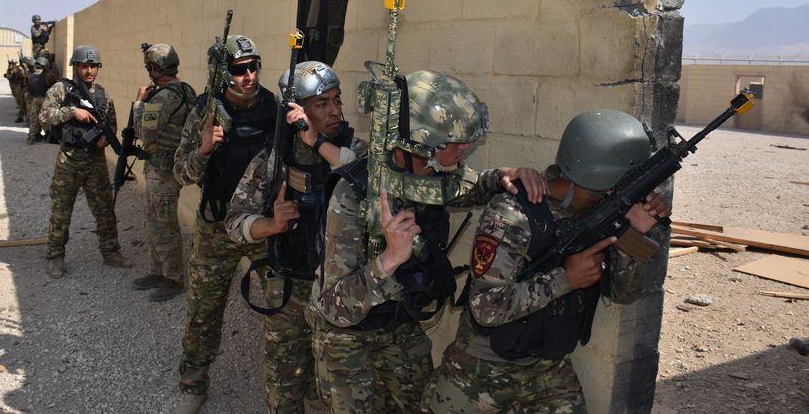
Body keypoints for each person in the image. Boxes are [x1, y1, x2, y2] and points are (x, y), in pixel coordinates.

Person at [312, 70, 546, 413]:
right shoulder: (354, 194)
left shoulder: (435, 173)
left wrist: (504, 176)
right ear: (421, 142)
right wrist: (388, 260)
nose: (465, 149)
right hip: (346, 334)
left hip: (400, 321)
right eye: (456, 142)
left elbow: (471, 187)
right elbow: (334, 306)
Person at [423, 109, 671, 413]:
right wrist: (566, 279)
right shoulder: (513, 213)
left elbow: (624, 294)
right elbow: (484, 307)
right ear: (609, 183)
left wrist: (636, 233)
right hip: (481, 368)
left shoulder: (608, 213)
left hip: (548, 367)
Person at [225, 60, 366, 414]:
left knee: (341, 386)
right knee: (285, 378)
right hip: (289, 288)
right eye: (323, 103)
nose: (334, 111)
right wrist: (271, 225)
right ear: (295, 111)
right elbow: (234, 221)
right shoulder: (275, 158)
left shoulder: (353, 148)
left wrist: (316, 142)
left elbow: (362, 174)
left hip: (340, 294)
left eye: (337, 100)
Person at [172, 35, 278, 414]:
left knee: (285, 304)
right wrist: (204, 147)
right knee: (204, 309)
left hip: (261, 226)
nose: (249, 76)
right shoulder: (205, 110)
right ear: (223, 74)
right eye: (238, 69)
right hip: (216, 229)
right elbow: (180, 174)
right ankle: (193, 383)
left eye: (253, 66)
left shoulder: (272, 107)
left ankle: (289, 384)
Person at [39, 45, 133, 279]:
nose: (89, 71)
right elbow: (44, 117)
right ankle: (55, 256)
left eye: (93, 66)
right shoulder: (61, 89)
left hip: (95, 161)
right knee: (61, 211)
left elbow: (111, 124)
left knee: (105, 210)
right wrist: (71, 112)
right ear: (76, 67)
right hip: (69, 160)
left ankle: (111, 252)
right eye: (84, 66)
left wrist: (105, 139)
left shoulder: (103, 94)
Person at [131, 43, 196, 302]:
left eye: (150, 66)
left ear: (155, 68)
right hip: (168, 166)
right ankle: (157, 271)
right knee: (154, 220)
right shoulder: (186, 90)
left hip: (163, 168)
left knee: (164, 224)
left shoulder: (162, 98)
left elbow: (144, 133)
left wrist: (139, 102)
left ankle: (174, 278)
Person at [25, 56, 56, 144]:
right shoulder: (48, 75)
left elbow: (28, 89)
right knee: (46, 118)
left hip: (35, 99)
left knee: (34, 119)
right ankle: (48, 136)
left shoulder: (31, 75)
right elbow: (55, 84)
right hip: (45, 99)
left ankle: (31, 137)